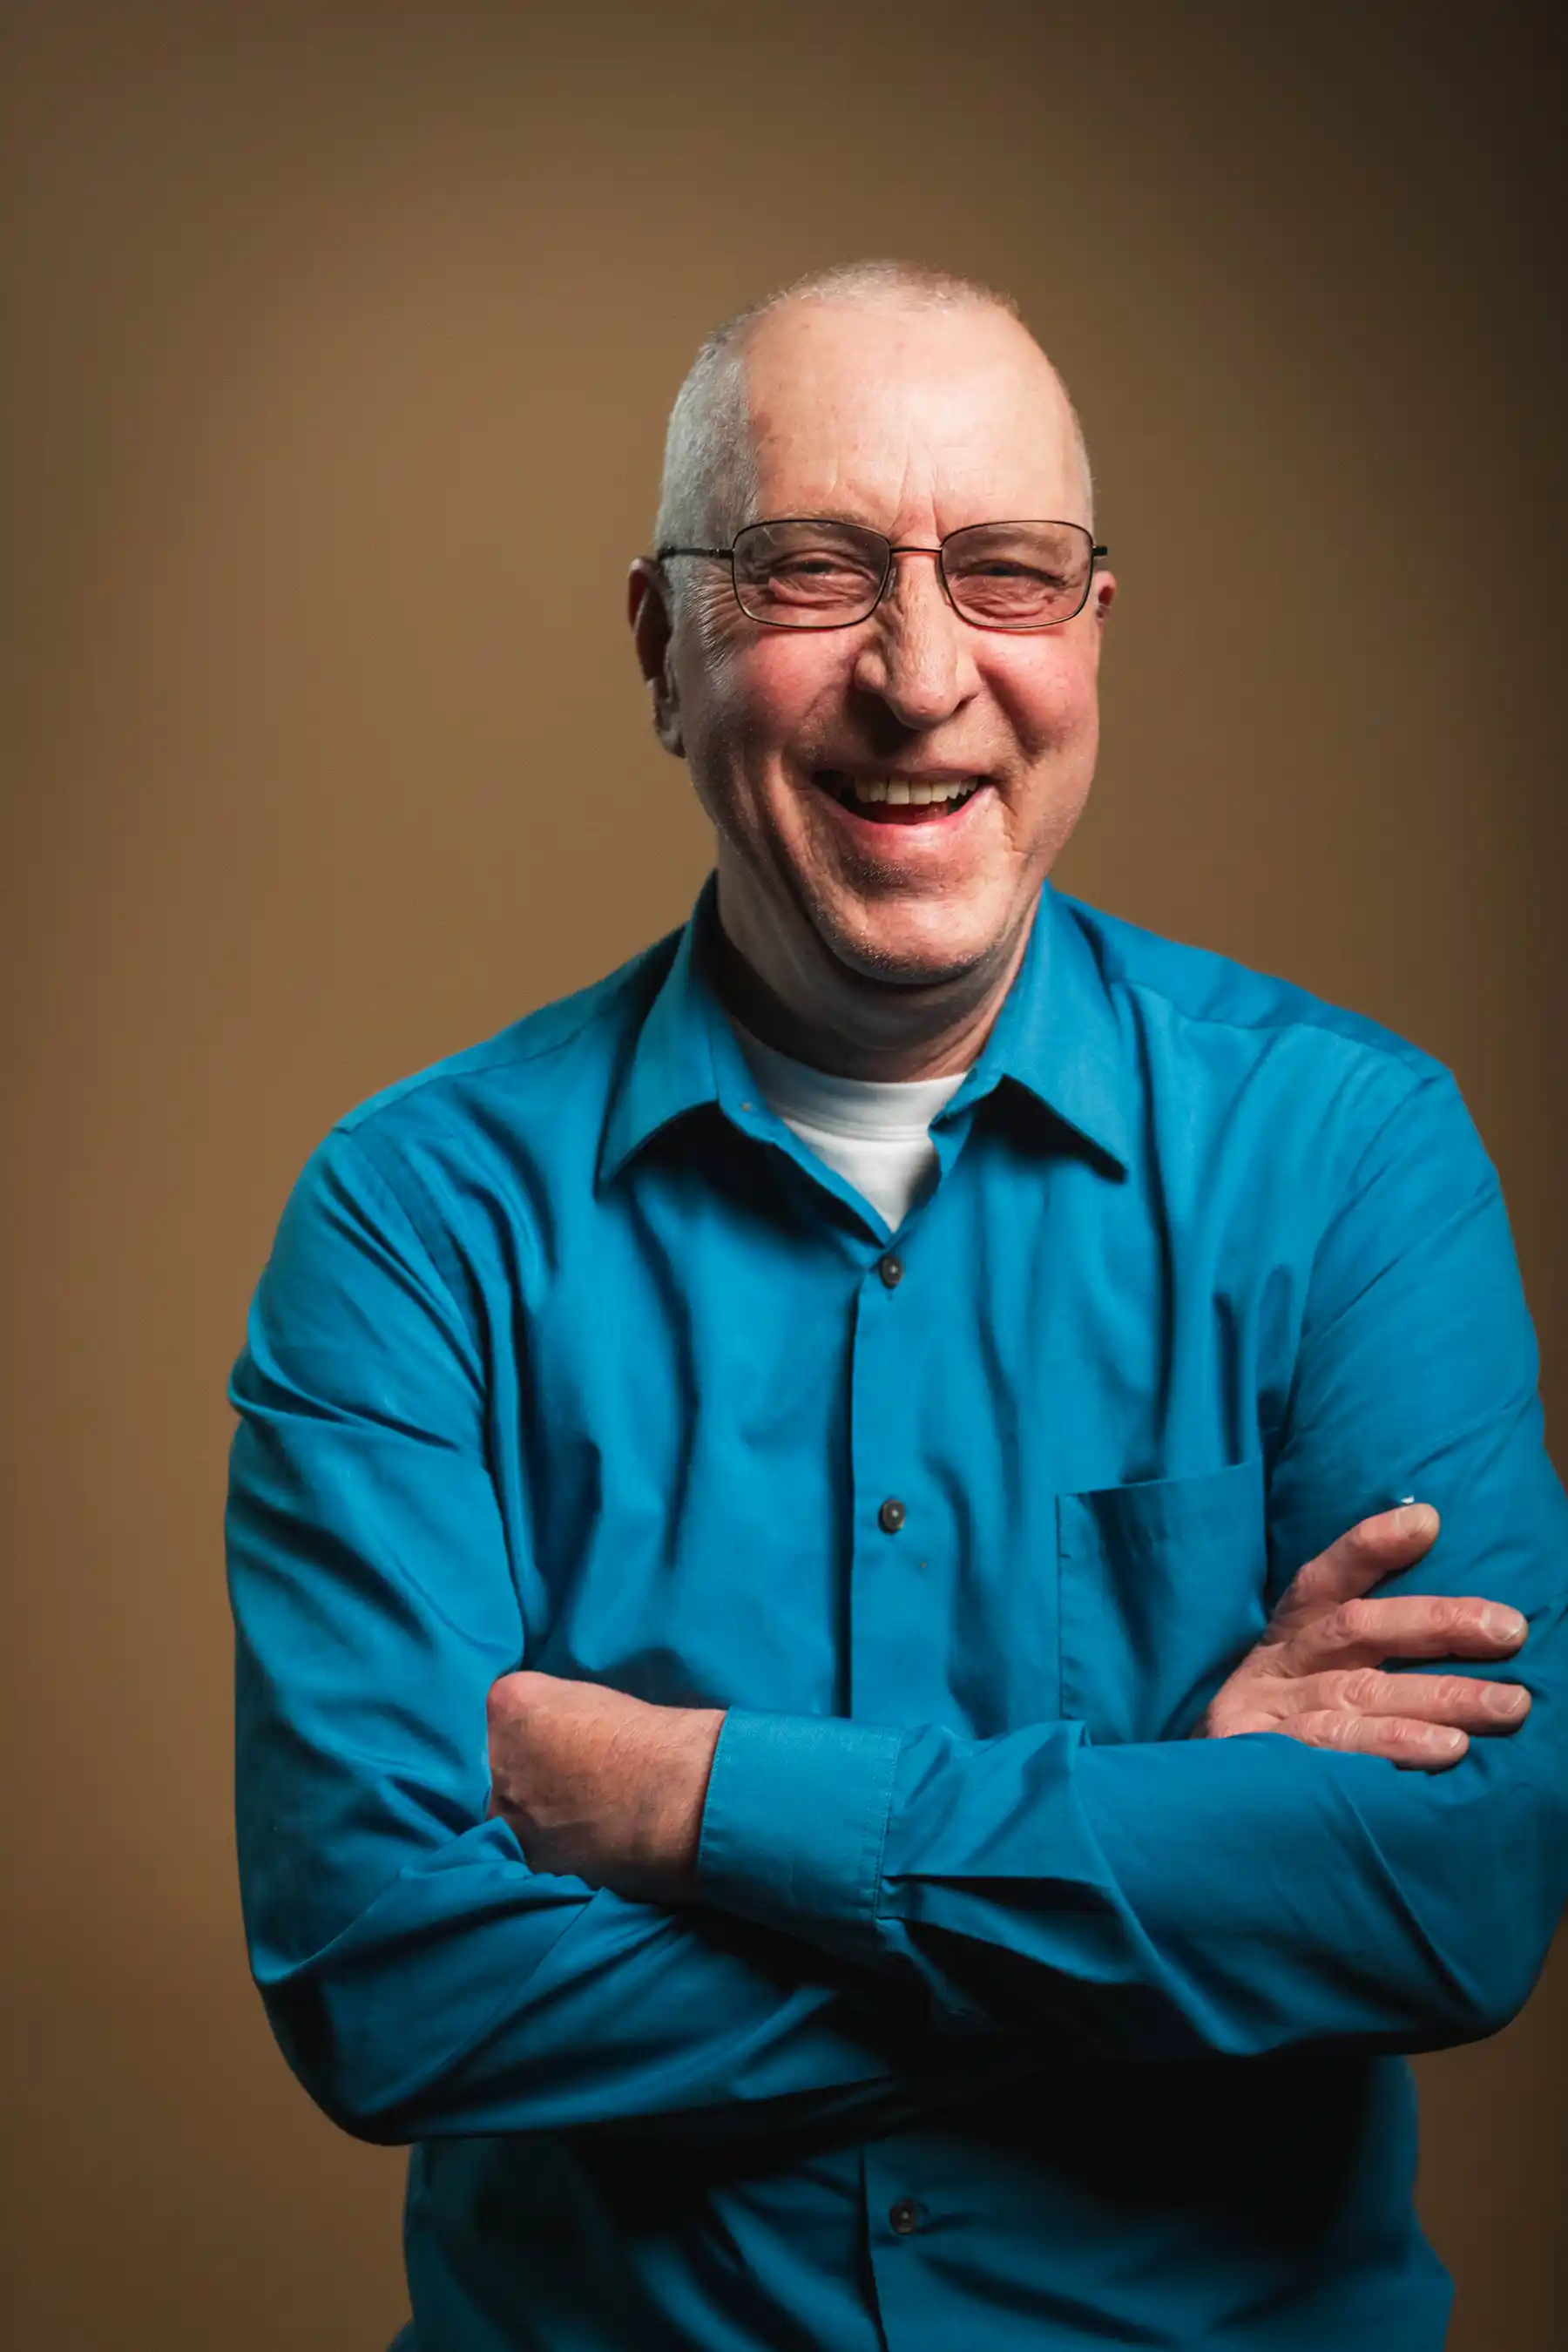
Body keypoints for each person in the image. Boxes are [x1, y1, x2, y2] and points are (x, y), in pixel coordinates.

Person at [226, 260, 1568, 2352]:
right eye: (812, 568)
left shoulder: (1351, 1157)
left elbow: (1446, 1899)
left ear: (1093, 634)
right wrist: (1158, 1839)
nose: (923, 675)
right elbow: (386, 1988)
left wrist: (691, 1802)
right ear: (663, 648)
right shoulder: (414, 1225)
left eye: (1006, 572)